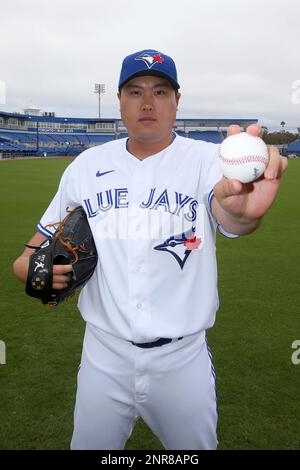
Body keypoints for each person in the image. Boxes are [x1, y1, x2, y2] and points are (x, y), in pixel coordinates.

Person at [13, 49, 288, 450]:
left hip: (182, 361)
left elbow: (233, 216)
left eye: (160, 91)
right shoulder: (86, 167)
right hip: (102, 357)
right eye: (134, 91)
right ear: (120, 101)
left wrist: (244, 214)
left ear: (177, 101)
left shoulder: (208, 161)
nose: (147, 102)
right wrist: (35, 273)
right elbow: (26, 257)